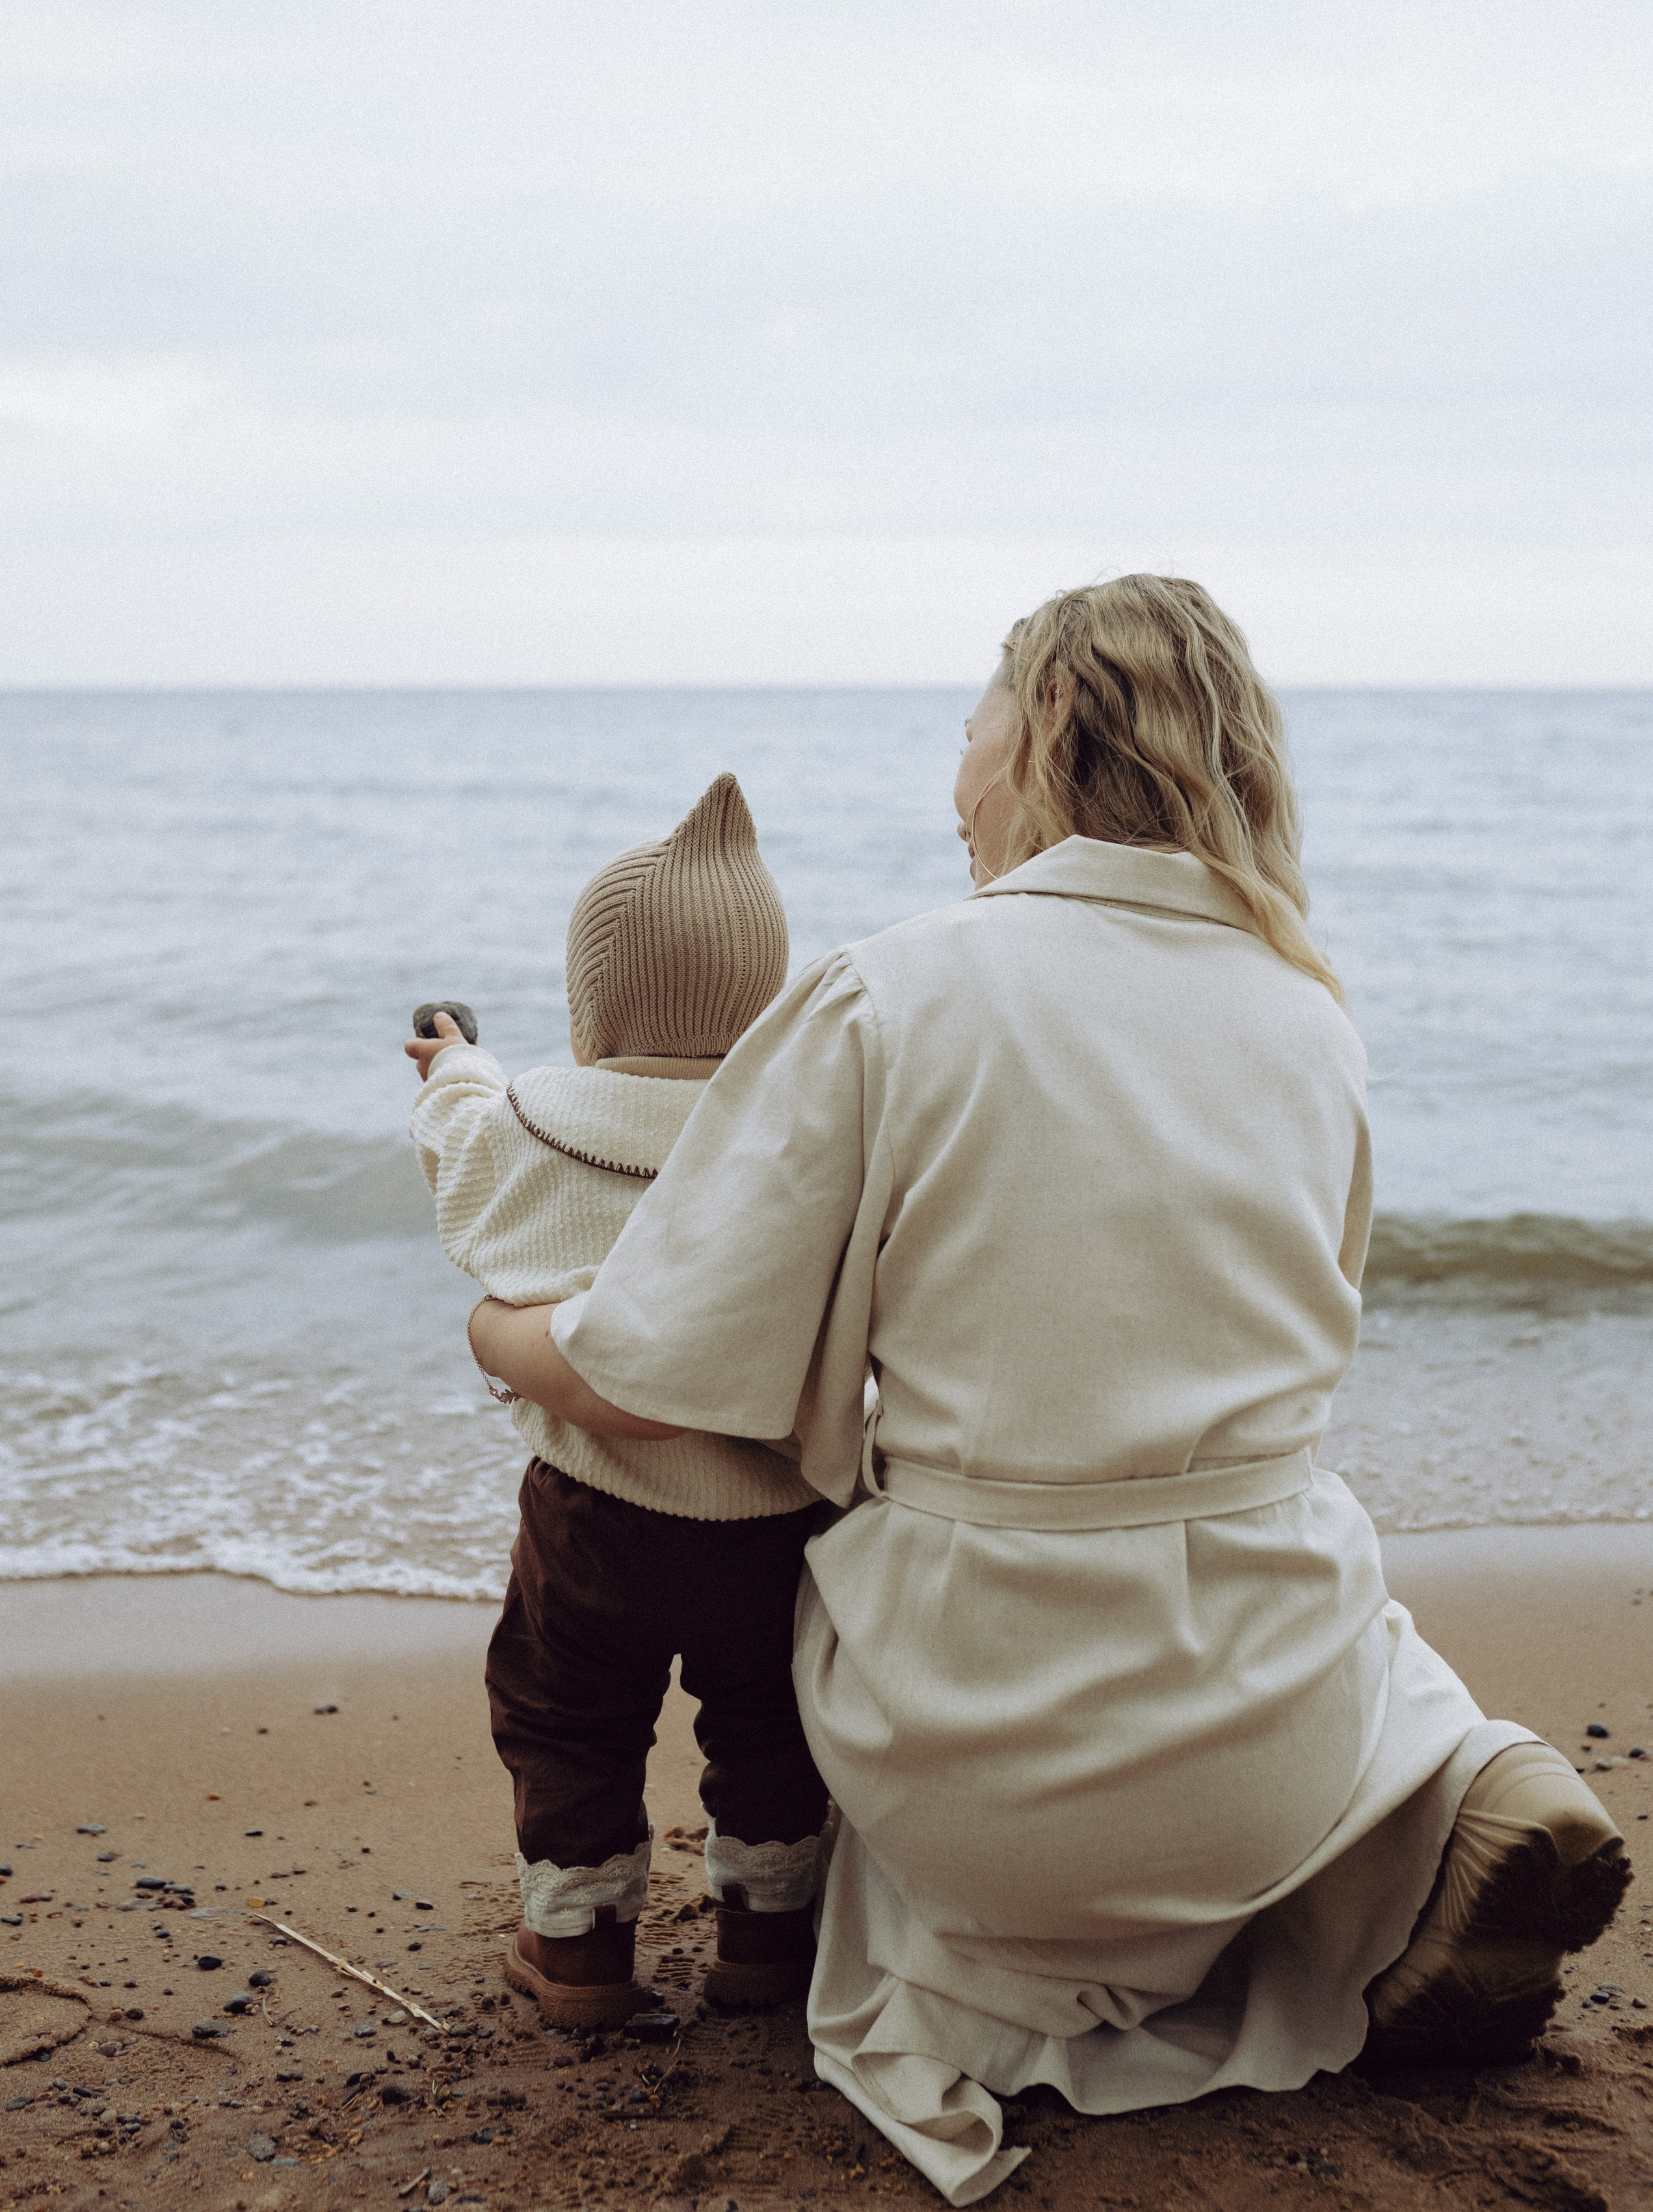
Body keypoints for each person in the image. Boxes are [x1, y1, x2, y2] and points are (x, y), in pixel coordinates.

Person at [467, 580, 1628, 2206]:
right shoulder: (1310, 1015)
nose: (951, 780)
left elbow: (658, 1374)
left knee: (912, 1819)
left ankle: (1194, 1911)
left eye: (966, 730)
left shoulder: (891, 993)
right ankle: (1421, 1818)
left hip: (986, 1745)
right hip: (1261, 1706)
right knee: (1344, 1621)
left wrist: (502, 1333)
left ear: (1048, 735)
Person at [407, 773, 829, 2030]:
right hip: (778, 1516)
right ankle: (769, 1942)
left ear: (590, 1004)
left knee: (566, 1715)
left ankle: (580, 1955)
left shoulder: (538, 1116)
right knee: (772, 1724)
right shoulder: (803, 1132)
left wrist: (457, 1060)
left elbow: (460, 1144)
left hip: (593, 1512)